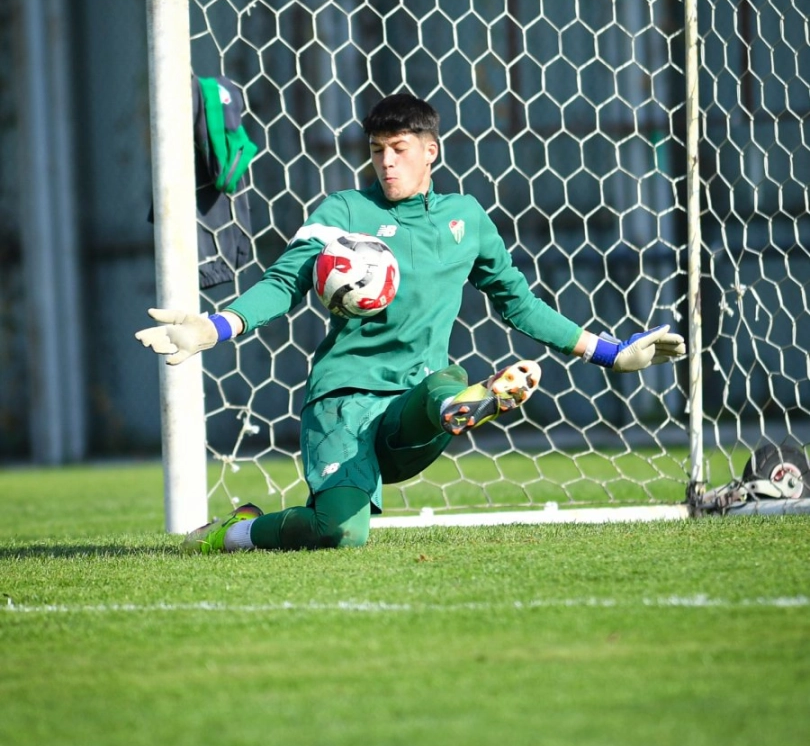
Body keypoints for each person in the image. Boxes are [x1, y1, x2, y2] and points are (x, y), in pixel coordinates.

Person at [135, 93, 685, 553]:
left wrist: (612, 353)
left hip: (413, 410)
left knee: (444, 382)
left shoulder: (465, 218)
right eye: (377, 151)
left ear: (430, 151)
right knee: (339, 533)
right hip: (344, 402)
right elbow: (283, 282)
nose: (387, 163)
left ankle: (464, 403)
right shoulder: (344, 212)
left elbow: (519, 303)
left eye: (399, 149)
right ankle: (237, 531)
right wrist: (213, 327)